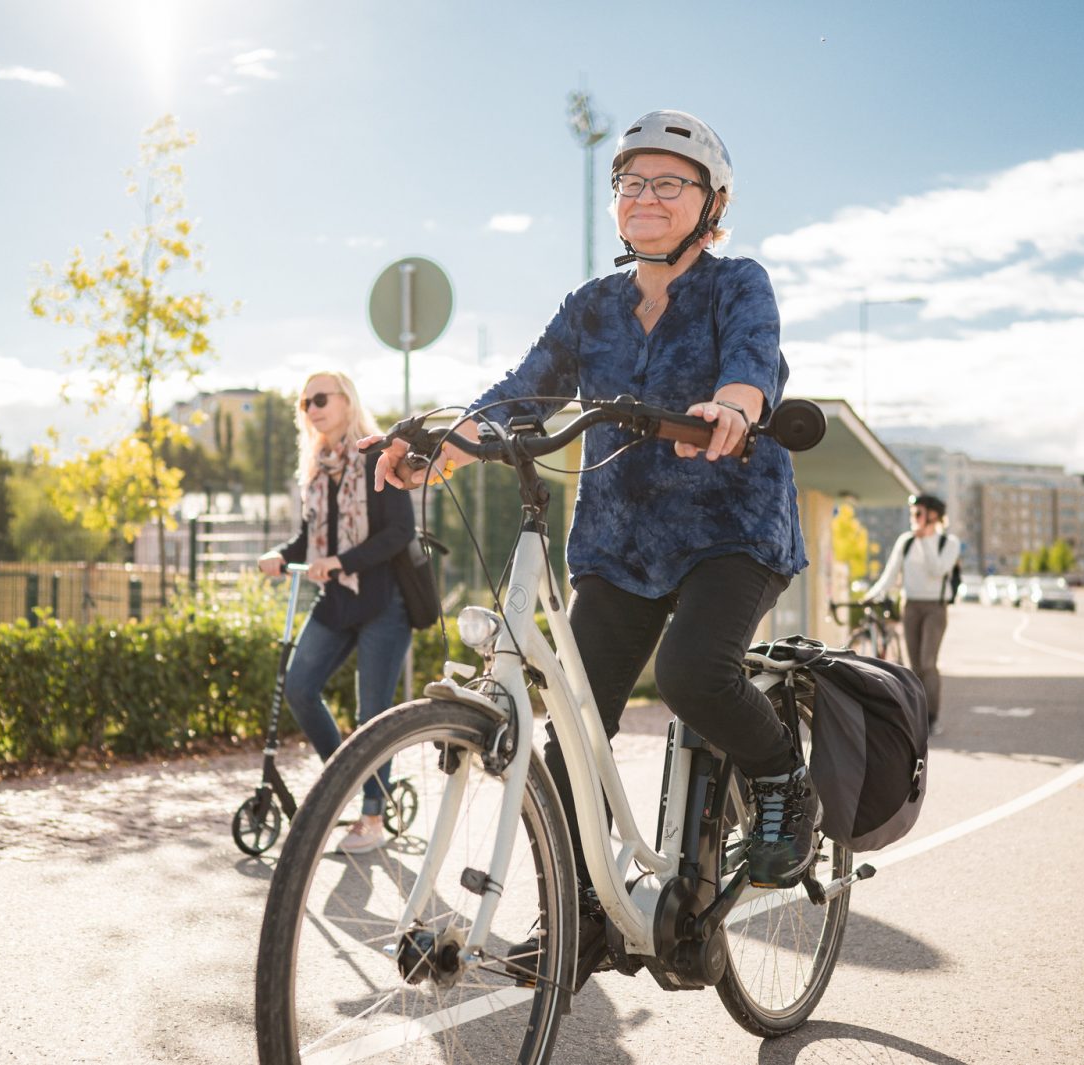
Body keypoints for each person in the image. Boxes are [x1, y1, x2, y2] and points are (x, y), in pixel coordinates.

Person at [371, 110, 817, 950]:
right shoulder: (592, 307)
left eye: (668, 183)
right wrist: (445, 452)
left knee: (692, 672)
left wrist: (732, 406)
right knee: (575, 721)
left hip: (732, 529)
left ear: (709, 202)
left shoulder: (737, 285)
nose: (645, 196)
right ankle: (578, 917)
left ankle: (782, 775)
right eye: (630, 182)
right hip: (622, 543)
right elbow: (523, 389)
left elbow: (753, 364)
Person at [258, 370, 415, 855]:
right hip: (337, 600)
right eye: (304, 402)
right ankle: (345, 782)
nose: (312, 408)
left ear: (347, 400)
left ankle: (372, 814)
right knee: (301, 687)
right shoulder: (318, 465)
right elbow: (312, 538)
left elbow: (399, 533)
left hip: (384, 601)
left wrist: (341, 562)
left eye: (321, 398)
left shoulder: (375, 456)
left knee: (372, 715)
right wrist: (284, 554)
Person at [865, 493, 961, 732]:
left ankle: (931, 718)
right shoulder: (905, 541)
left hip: (935, 608)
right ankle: (916, 715)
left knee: (928, 663)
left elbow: (937, 570)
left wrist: (924, 540)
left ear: (933, 515)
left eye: (919, 513)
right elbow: (890, 574)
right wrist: (870, 596)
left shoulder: (948, 543)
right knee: (914, 666)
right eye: (912, 514)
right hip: (911, 607)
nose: (914, 518)